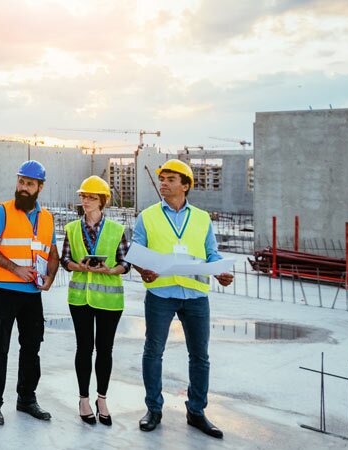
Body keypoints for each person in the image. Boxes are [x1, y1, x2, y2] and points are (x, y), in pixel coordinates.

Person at [132, 159, 234, 439]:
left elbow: (211, 253)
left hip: (195, 297)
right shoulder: (148, 216)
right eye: (162, 179)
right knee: (153, 352)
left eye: (170, 179)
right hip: (160, 294)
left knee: (200, 357)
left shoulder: (202, 218)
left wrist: (221, 271)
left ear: (185, 185)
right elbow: (136, 251)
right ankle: (153, 409)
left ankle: (197, 411)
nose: (163, 183)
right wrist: (144, 270)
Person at [0, 160, 60, 426]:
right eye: (21, 182)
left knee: (32, 347)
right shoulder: (2, 212)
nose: (23, 188)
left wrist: (50, 276)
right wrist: (15, 268)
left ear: (40, 187)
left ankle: (26, 399)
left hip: (32, 294)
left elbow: (52, 254)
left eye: (29, 184)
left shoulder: (47, 218)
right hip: (5, 291)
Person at [60, 176, 130, 426]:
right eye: (83, 197)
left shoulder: (116, 229)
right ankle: (83, 399)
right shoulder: (71, 228)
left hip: (109, 301)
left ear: (102, 201)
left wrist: (111, 271)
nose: (86, 201)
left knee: (105, 350)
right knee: (84, 348)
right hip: (80, 299)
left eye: (91, 197)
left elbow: (125, 263)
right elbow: (64, 260)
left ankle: (102, 399)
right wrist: (75, 265)